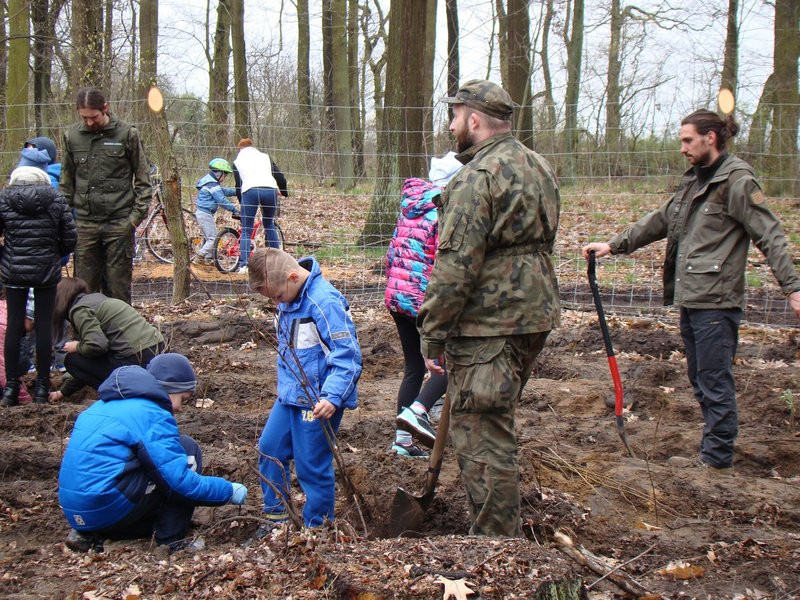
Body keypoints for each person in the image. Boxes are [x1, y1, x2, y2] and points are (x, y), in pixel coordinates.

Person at [582, 109, 800, 473]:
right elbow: (660, 220)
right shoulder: (694, 182)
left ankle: (716, 461)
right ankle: (712, 453)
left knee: (714, 380)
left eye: (687, 140)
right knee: (700, 377)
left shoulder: (737, 181)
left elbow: (770, 234)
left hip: (717, 300)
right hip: (692, 296)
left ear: (710, 138)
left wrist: (793, 288)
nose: (682, 148)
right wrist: (614, 244)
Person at [417, 80, 561, 537]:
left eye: (456, 116)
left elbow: (455, 265)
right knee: (494, 419)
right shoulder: (538, 165)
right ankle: (498, 532)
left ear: (475, 119)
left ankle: (497, 543)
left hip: (489, 323)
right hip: (535, 313)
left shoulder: (475, 177)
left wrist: (432, 333)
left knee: (482, 433)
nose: (451, 126)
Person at [58, 353, 248, 553]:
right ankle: (171, 540)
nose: (179, 408)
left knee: (146, 465)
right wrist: (228, 490)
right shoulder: (150, 414)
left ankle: (88, 535)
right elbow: (179, 483)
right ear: (170, 388)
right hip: (109, 507)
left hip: (80, 514)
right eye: (182, 399)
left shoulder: (100, 406)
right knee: (186, 448)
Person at [247, 247, 361, 537]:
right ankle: (277, 521)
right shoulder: (288, 298)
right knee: (270, 449)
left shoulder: (325, 302)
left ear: (293, 277)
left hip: (318, 401)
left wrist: (332, 397)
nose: (276, 302)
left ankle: (318, 529)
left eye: (277, 296)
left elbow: (347, 356)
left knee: (311, 464)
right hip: (290, 396)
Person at [385, 152, 463, 458]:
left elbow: (392, 253)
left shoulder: (411, 206)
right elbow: (445, 260)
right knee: (448, 364)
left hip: (397, 296)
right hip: (423, 300)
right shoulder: (445, 209)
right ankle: (419, 410)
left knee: (413, 368)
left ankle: (402, 442)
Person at [61, 87, 153, 304]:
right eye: (84, 117)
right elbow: (66, 184)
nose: (89, 122)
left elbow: (143, 181)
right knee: (83, 291)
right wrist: (65, 220)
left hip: (119, 223)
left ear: (105, 108)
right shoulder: (72, 136)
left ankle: (120, 327)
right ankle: (85, 326)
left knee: (118, 290)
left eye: (93, 117)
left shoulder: (127, 134)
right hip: (85, 225)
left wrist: (132, 221)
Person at [0, 167, 77, 407]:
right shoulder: (56, 199)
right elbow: (70, 238)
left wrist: (6, 256)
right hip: (46, 272)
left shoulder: (4, 198)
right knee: (44, 326)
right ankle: (42, 387)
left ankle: (11, 388)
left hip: (14, 270)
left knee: (14, 325)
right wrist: (54, 255)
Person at [48, 277, 165, 402]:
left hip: (134, 357)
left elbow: (97, 346)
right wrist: (62, 392)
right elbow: (92, 365)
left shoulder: (79, 310)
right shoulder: (97, 300)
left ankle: (119, 393)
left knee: (72, 360)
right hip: (157, 350)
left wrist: (77, 346)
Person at [232, 138, 288, 274]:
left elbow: (238, 185)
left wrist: (242, 203)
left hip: (250, 191)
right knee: (269, 224)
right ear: (252, 146)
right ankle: (278, 263)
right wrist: (284, 191)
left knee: (246, 230)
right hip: (270, 190)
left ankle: (244, 266)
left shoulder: (237, 162)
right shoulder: (265, 157)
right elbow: (279, 176)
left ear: (240, 149)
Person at [194, 158, 240, 265]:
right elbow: (222, 200)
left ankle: (208, 259)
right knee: (213, 238)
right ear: (219, 173)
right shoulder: (212, 185)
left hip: (203, 213)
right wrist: (234, 210)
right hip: (205, 214)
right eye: (225, 175)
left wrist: (237, 192)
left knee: (208, 238)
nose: (225, 177)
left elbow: (224, 191)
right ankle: (200, 256)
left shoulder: (210, 183)